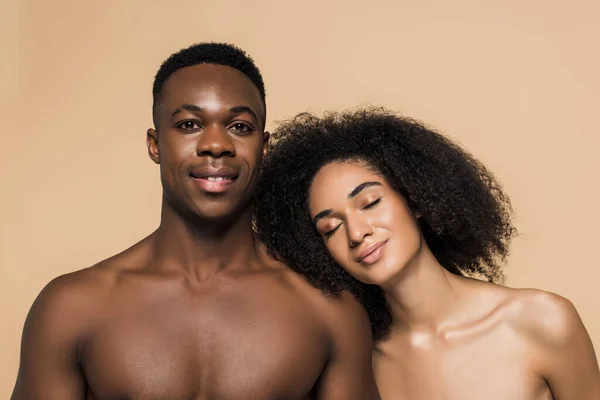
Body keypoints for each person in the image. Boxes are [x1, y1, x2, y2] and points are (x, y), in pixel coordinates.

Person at [11, 43, 379, 399]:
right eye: (189, 124)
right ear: (155, 144)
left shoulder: (330, 311)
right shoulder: (71, 308)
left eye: (239, 126)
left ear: (264, 148)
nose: (216, 144)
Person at [254, 108, 600, 399]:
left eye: (371, 203)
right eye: (331, 228)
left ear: (416, 198)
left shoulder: (542, 321)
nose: (358, 233)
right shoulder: (359, 364)